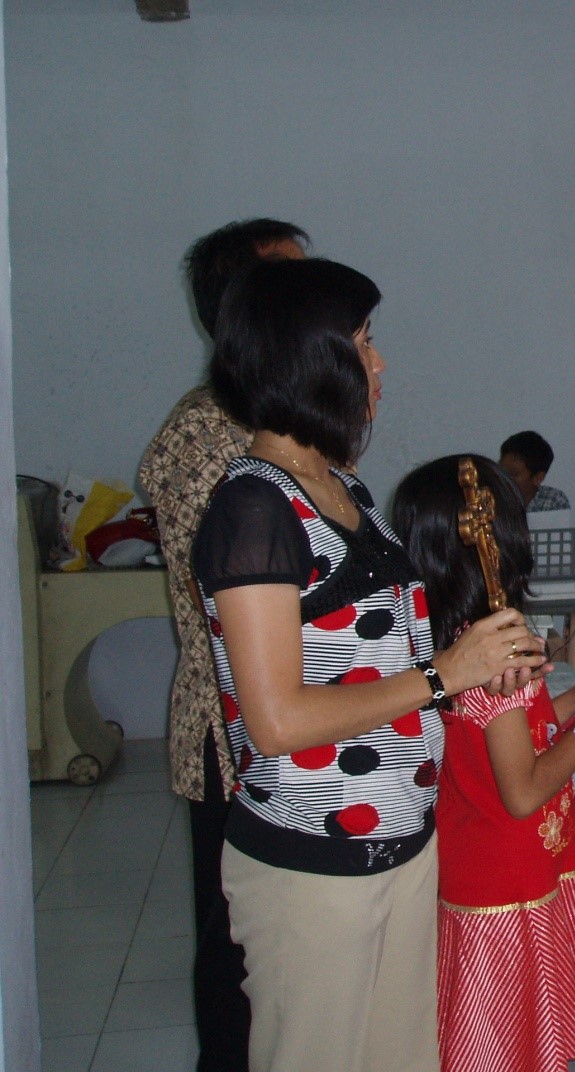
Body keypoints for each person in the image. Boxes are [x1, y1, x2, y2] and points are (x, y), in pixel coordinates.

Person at [191, 258, 550, 1072]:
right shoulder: (254, 508)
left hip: (402, 842)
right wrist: (442, 676)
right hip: (312, 862)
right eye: (361, 341)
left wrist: (480, 667)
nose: (378, 363)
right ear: (306, 357)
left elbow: (371, 659)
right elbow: (276, 719)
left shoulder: (341, 487)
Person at [392, 453, 575, 1072]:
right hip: (508, 881)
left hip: (492, 863)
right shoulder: (495, 658)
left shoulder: (455, 646)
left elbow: (501, 734)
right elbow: (522, 791)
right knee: (507, 1040)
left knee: (502, 1037)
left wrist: (571, 701)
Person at [137, 217, 309, 1072]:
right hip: (237, 731)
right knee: (238, 944)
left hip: (301, 722)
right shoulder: (206, 436)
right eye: (293, 286)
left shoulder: (283, 422)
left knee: (288, 949)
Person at [499, 431, 570, 513]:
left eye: (513, 474)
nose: (504, 478)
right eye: (500, 470)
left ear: (538, 478)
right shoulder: (491, 498)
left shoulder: (553, 500)